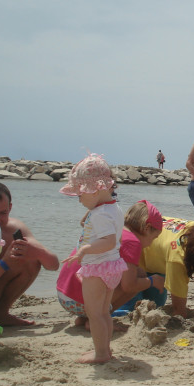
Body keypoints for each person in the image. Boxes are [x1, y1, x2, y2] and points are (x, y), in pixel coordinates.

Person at [60, 154, 127, 364]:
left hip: (97, 268)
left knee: (94, 313)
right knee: (104, 312)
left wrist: (85, 250)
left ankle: (100, 354)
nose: (79, 199)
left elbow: (108, 241)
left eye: (80, 194)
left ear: (95, 190)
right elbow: (114, 236)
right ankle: (105, 349)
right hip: (112, 266)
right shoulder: (112, 208)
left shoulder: (100, 214)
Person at [0, 180, 59, 326]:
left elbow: (53, 265)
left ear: (10, 208)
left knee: (31, 259)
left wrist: (38, 252)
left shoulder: (14, 229)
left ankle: (0, 314)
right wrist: (3, 264)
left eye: (3, 213)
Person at [56, 200, 165, 325]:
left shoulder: (114, 230)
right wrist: (153, 281)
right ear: (147, 228)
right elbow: (129, 286)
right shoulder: (133, 242)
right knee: (138, 277)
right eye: (154, 238)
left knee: (134, 272)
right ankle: (100, 318)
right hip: (80, 301)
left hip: (64, 295)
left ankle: (87, 318)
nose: (151, 244)